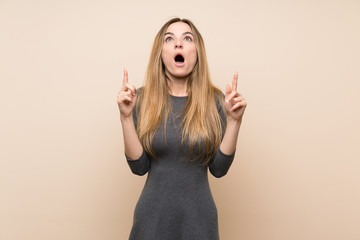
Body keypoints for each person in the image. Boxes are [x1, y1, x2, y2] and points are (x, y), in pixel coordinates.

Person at [117, 18, 247, 240]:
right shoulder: (140, 99)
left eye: (187, 38)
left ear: (197, 52)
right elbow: (139, 167)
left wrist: (234, 121)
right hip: (151, 222)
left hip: (199, 223)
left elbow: (219, 169)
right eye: (170, 39)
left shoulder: (215, 100)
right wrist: (126, 118)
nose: (178, 44)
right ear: (161, 52)